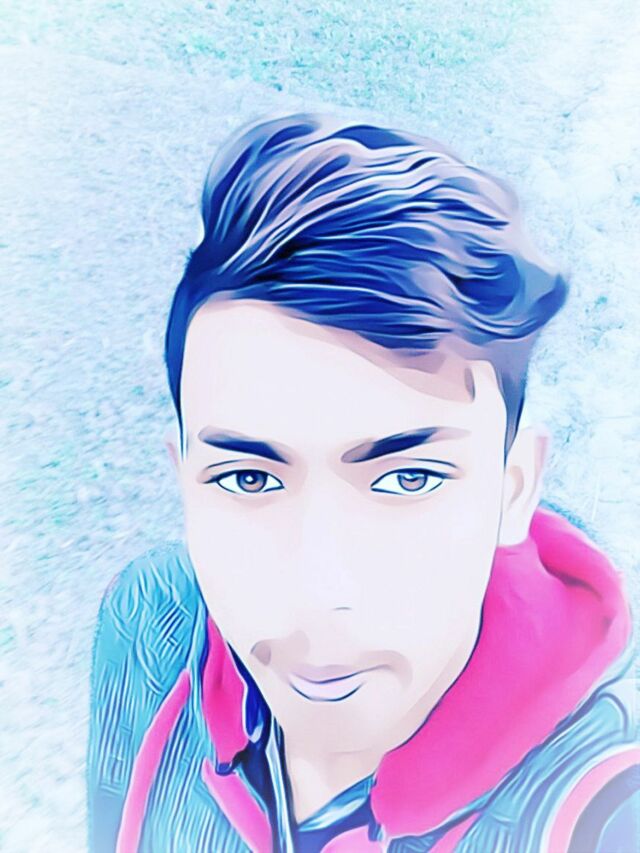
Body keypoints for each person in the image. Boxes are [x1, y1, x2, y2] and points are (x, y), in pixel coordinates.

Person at [87, 112, 638, 852]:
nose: (321, 589)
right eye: (248, 477)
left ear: (514, 489)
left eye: (407, 478)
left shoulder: (606, 817)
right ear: (184, 481)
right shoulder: (151, 625)